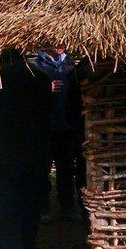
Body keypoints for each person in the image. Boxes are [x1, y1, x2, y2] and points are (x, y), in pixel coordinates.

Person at [0, 51, 52, 249]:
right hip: (36, 155)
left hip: (4, 158)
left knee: (9, 211)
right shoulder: (42, 78)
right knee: (31, 208)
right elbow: (47, 119)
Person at [32, 47, 83, 222]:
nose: (59, 44)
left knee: (66, 170)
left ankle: (67, 207)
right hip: (45, 128)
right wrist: (46, 89)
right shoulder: (36, 66)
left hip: (66, 127)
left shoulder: (69, 64)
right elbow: (28, 96)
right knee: (42, 171)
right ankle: (42, 209)